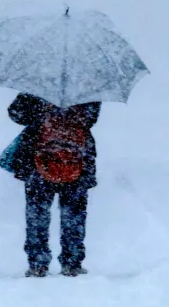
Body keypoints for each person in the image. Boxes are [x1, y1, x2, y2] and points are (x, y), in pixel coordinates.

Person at [7, 92, 100, 277]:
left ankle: (37, 264)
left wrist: (41, 109)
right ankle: (72, 263)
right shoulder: (88, 88)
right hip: (77, 160)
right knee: (74, 215)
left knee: (37, 215)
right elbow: (90, 120)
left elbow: (16, 114)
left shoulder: (38, 85)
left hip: (39, 160)